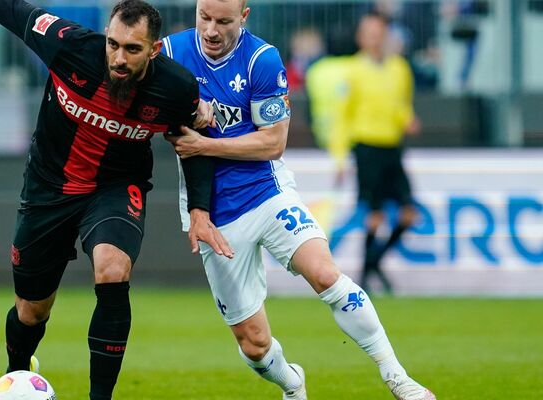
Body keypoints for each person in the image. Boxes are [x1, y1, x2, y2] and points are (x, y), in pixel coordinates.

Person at [0, 0, 232, 399]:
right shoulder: (68, 44)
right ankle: (17, 374)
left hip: (115, 187)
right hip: (47, 189)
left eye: (132, 49)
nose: (119, 58)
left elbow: (195, 141)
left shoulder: (176, 87)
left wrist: (199, 209)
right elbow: (17, 13)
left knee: (112, 270)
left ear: (154, 50)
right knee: (31, 311)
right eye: (113, 45)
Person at [163, 1, 434, 399]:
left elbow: (273, 141)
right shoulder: (170, 54)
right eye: (204, 18)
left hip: (266, 193)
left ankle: (397, 377)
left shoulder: (261, 59)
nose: (211, 31)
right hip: (217, 219)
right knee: (253, 345)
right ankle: (292, 383)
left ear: (244, 16)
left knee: (325, 274)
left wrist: (205, 145)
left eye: (224, 21)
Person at [328, 12, 421, 295]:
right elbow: (341, 116)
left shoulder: (399, 68)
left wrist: (408, 119)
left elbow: (402, 104)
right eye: (369, 32)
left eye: (379, 32)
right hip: (367, 147)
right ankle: (368, 273)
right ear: (361, 37)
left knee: (408, 214)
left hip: (392, 147)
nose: (375, 37)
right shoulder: (352, 71)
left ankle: (372, 264)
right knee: (374, 214)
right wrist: (340, 156)